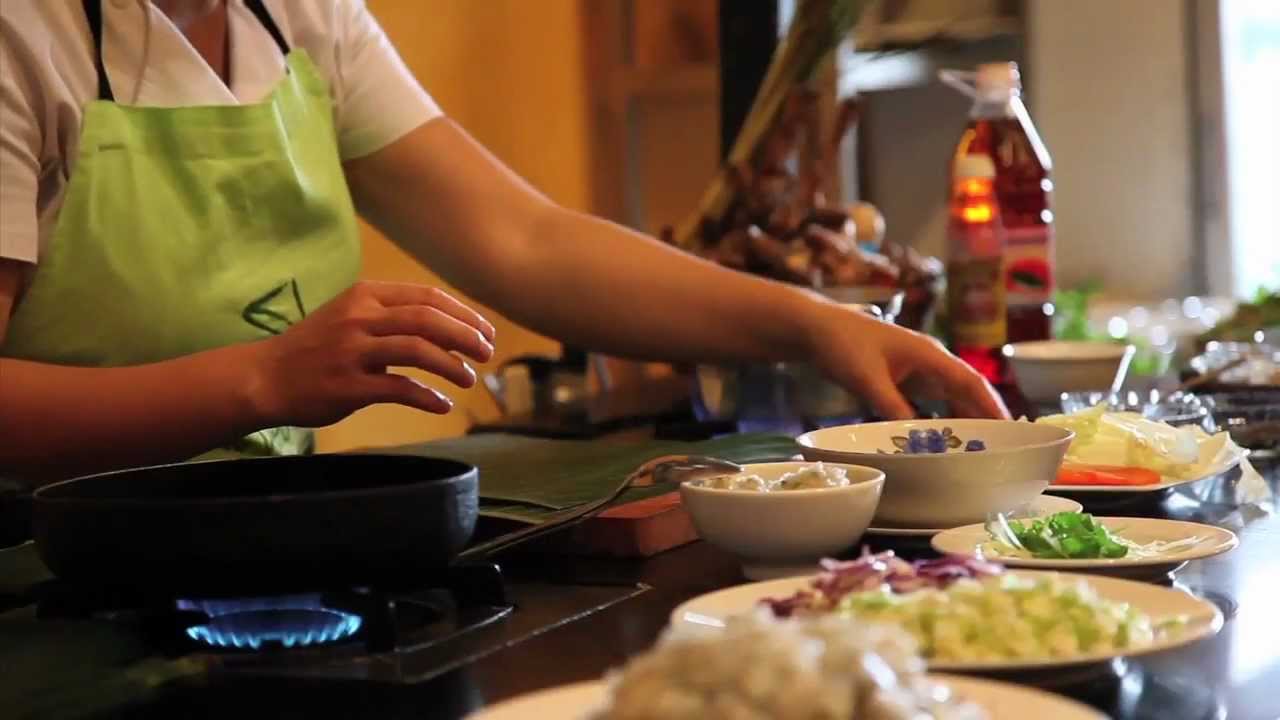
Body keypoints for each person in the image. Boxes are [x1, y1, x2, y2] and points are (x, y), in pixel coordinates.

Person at [0, 0, 1007, 483]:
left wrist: (816, 326)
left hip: (248, 537)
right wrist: (262, 380)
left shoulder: (300, 17)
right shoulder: (24, 32)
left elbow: (524, 241)